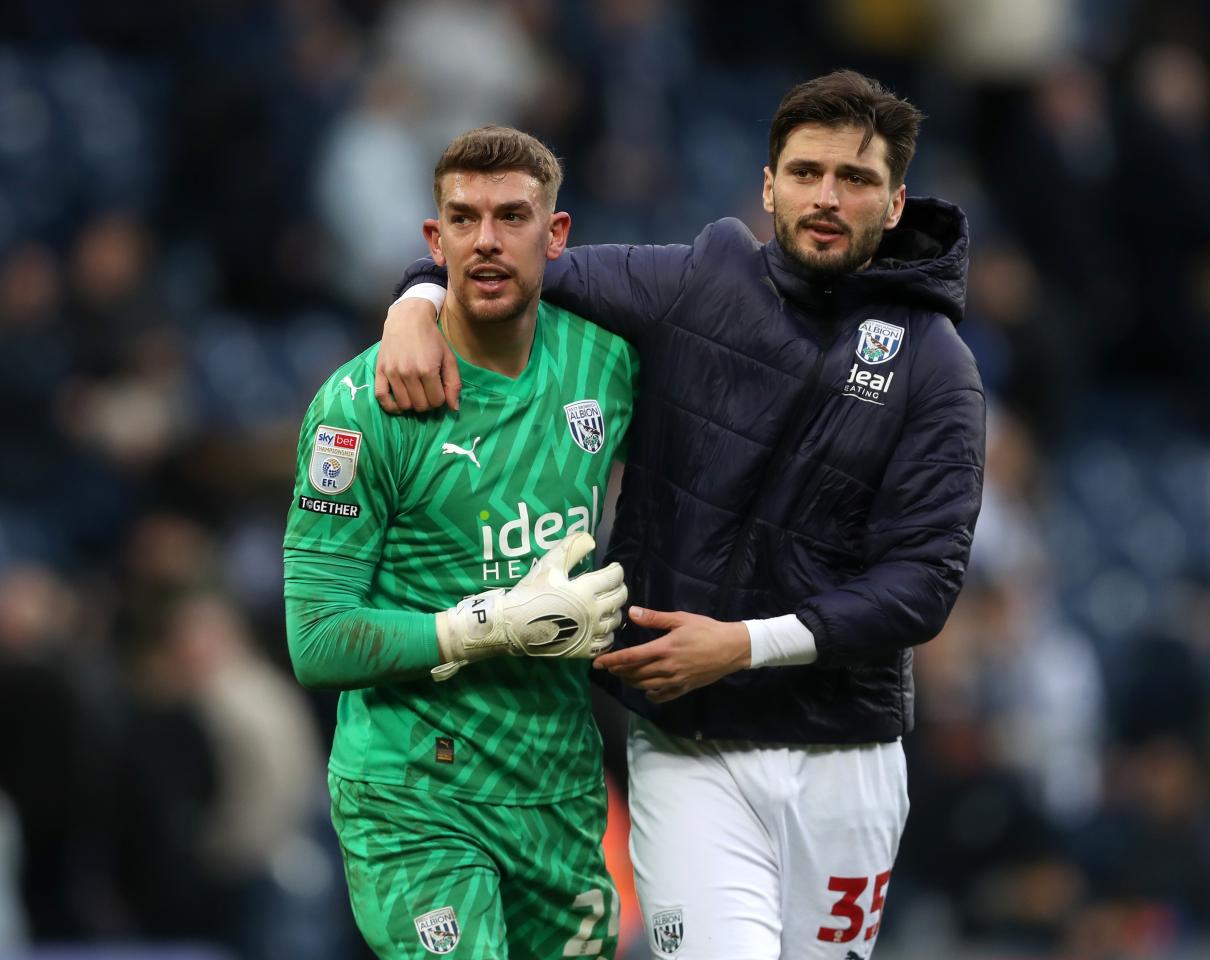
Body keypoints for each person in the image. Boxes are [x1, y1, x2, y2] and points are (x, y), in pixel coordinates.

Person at [378, 70, 986, 960]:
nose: (827, 196)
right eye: (806, 172)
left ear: (894, 204)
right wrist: (416, 302)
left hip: (845, 759)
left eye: (854, 180)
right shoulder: (700, 280)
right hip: (686, 746)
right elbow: (501, 261)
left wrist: (740, 644)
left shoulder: (937, 366)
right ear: (768, 183)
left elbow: (921, 589)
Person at [283, 126, 637, 960]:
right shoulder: (362, 408)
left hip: (558, 786)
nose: (486, 239)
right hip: (417, 794)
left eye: (512, 216)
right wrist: (485, 625)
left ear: (556, 236)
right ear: (433, 241)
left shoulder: (608, 362)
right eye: (464, 218)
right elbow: (316, 638)